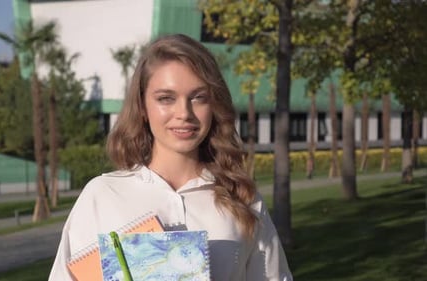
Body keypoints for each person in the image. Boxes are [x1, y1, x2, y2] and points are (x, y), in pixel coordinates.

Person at [49, 33, 292, 281]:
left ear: (214, 105)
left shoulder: (242, 198)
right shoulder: (101, 196)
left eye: (198, 97)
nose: (184, 113)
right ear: (142, 107)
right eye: (166, 98)